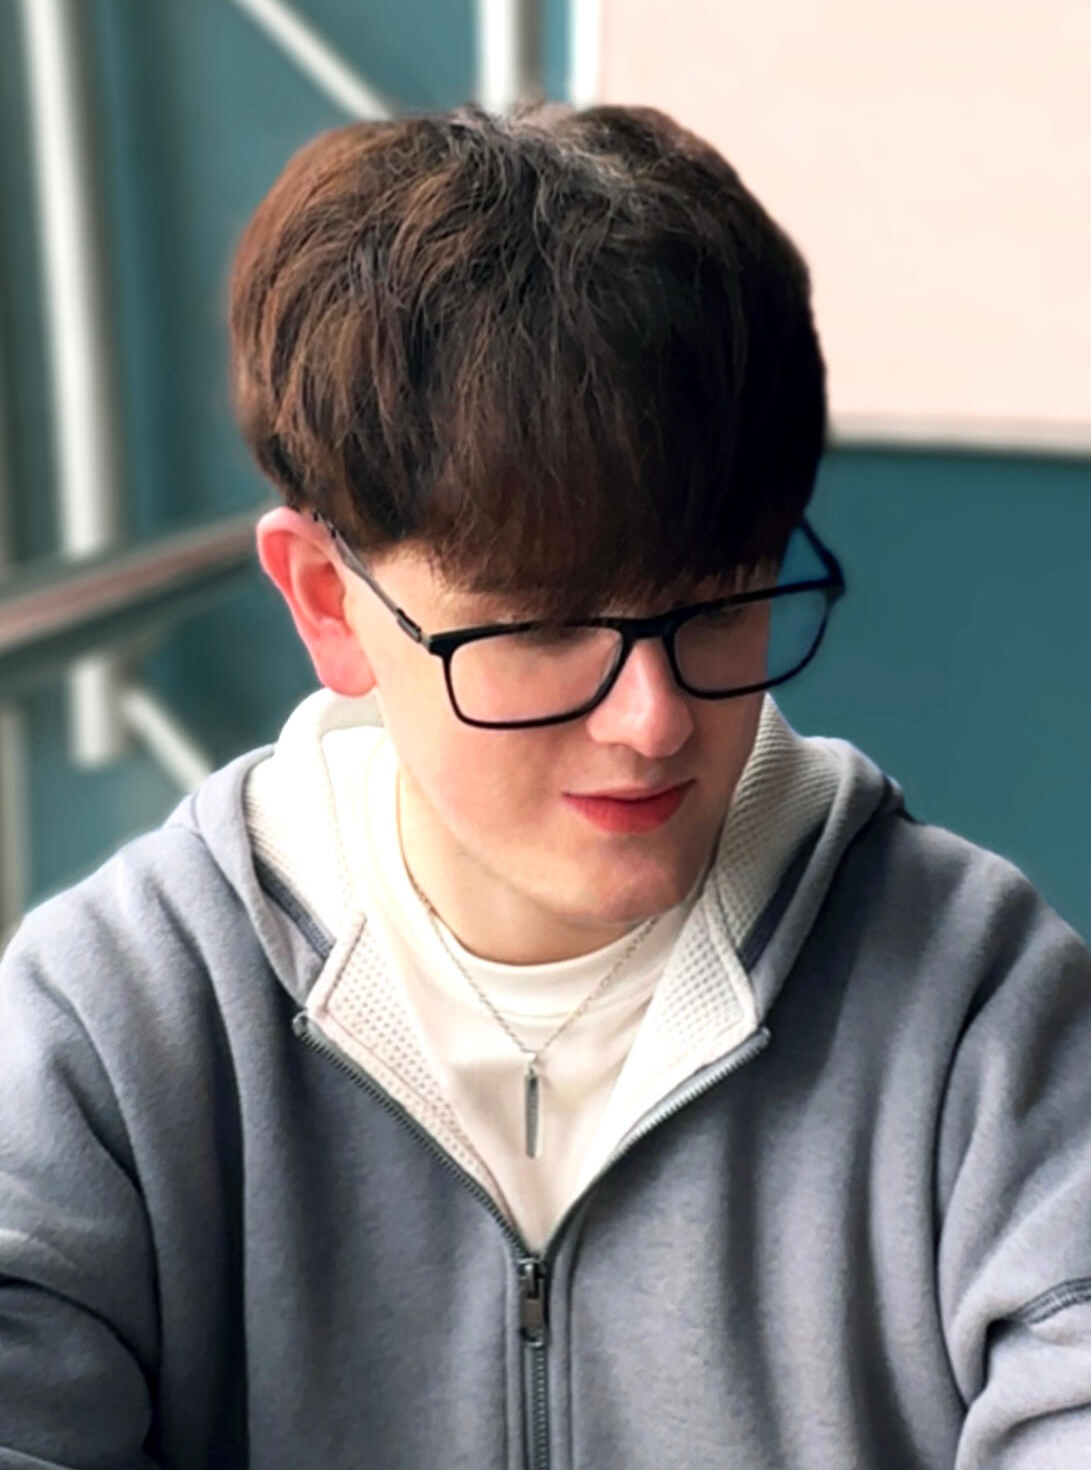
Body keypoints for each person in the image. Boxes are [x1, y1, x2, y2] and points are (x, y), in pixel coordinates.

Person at [1, 102, 1089, 1470]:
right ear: (328, 600)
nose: (654, 721)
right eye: (544, 629)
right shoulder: (114, 1022)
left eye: (719, 605)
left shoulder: (980, 1006)